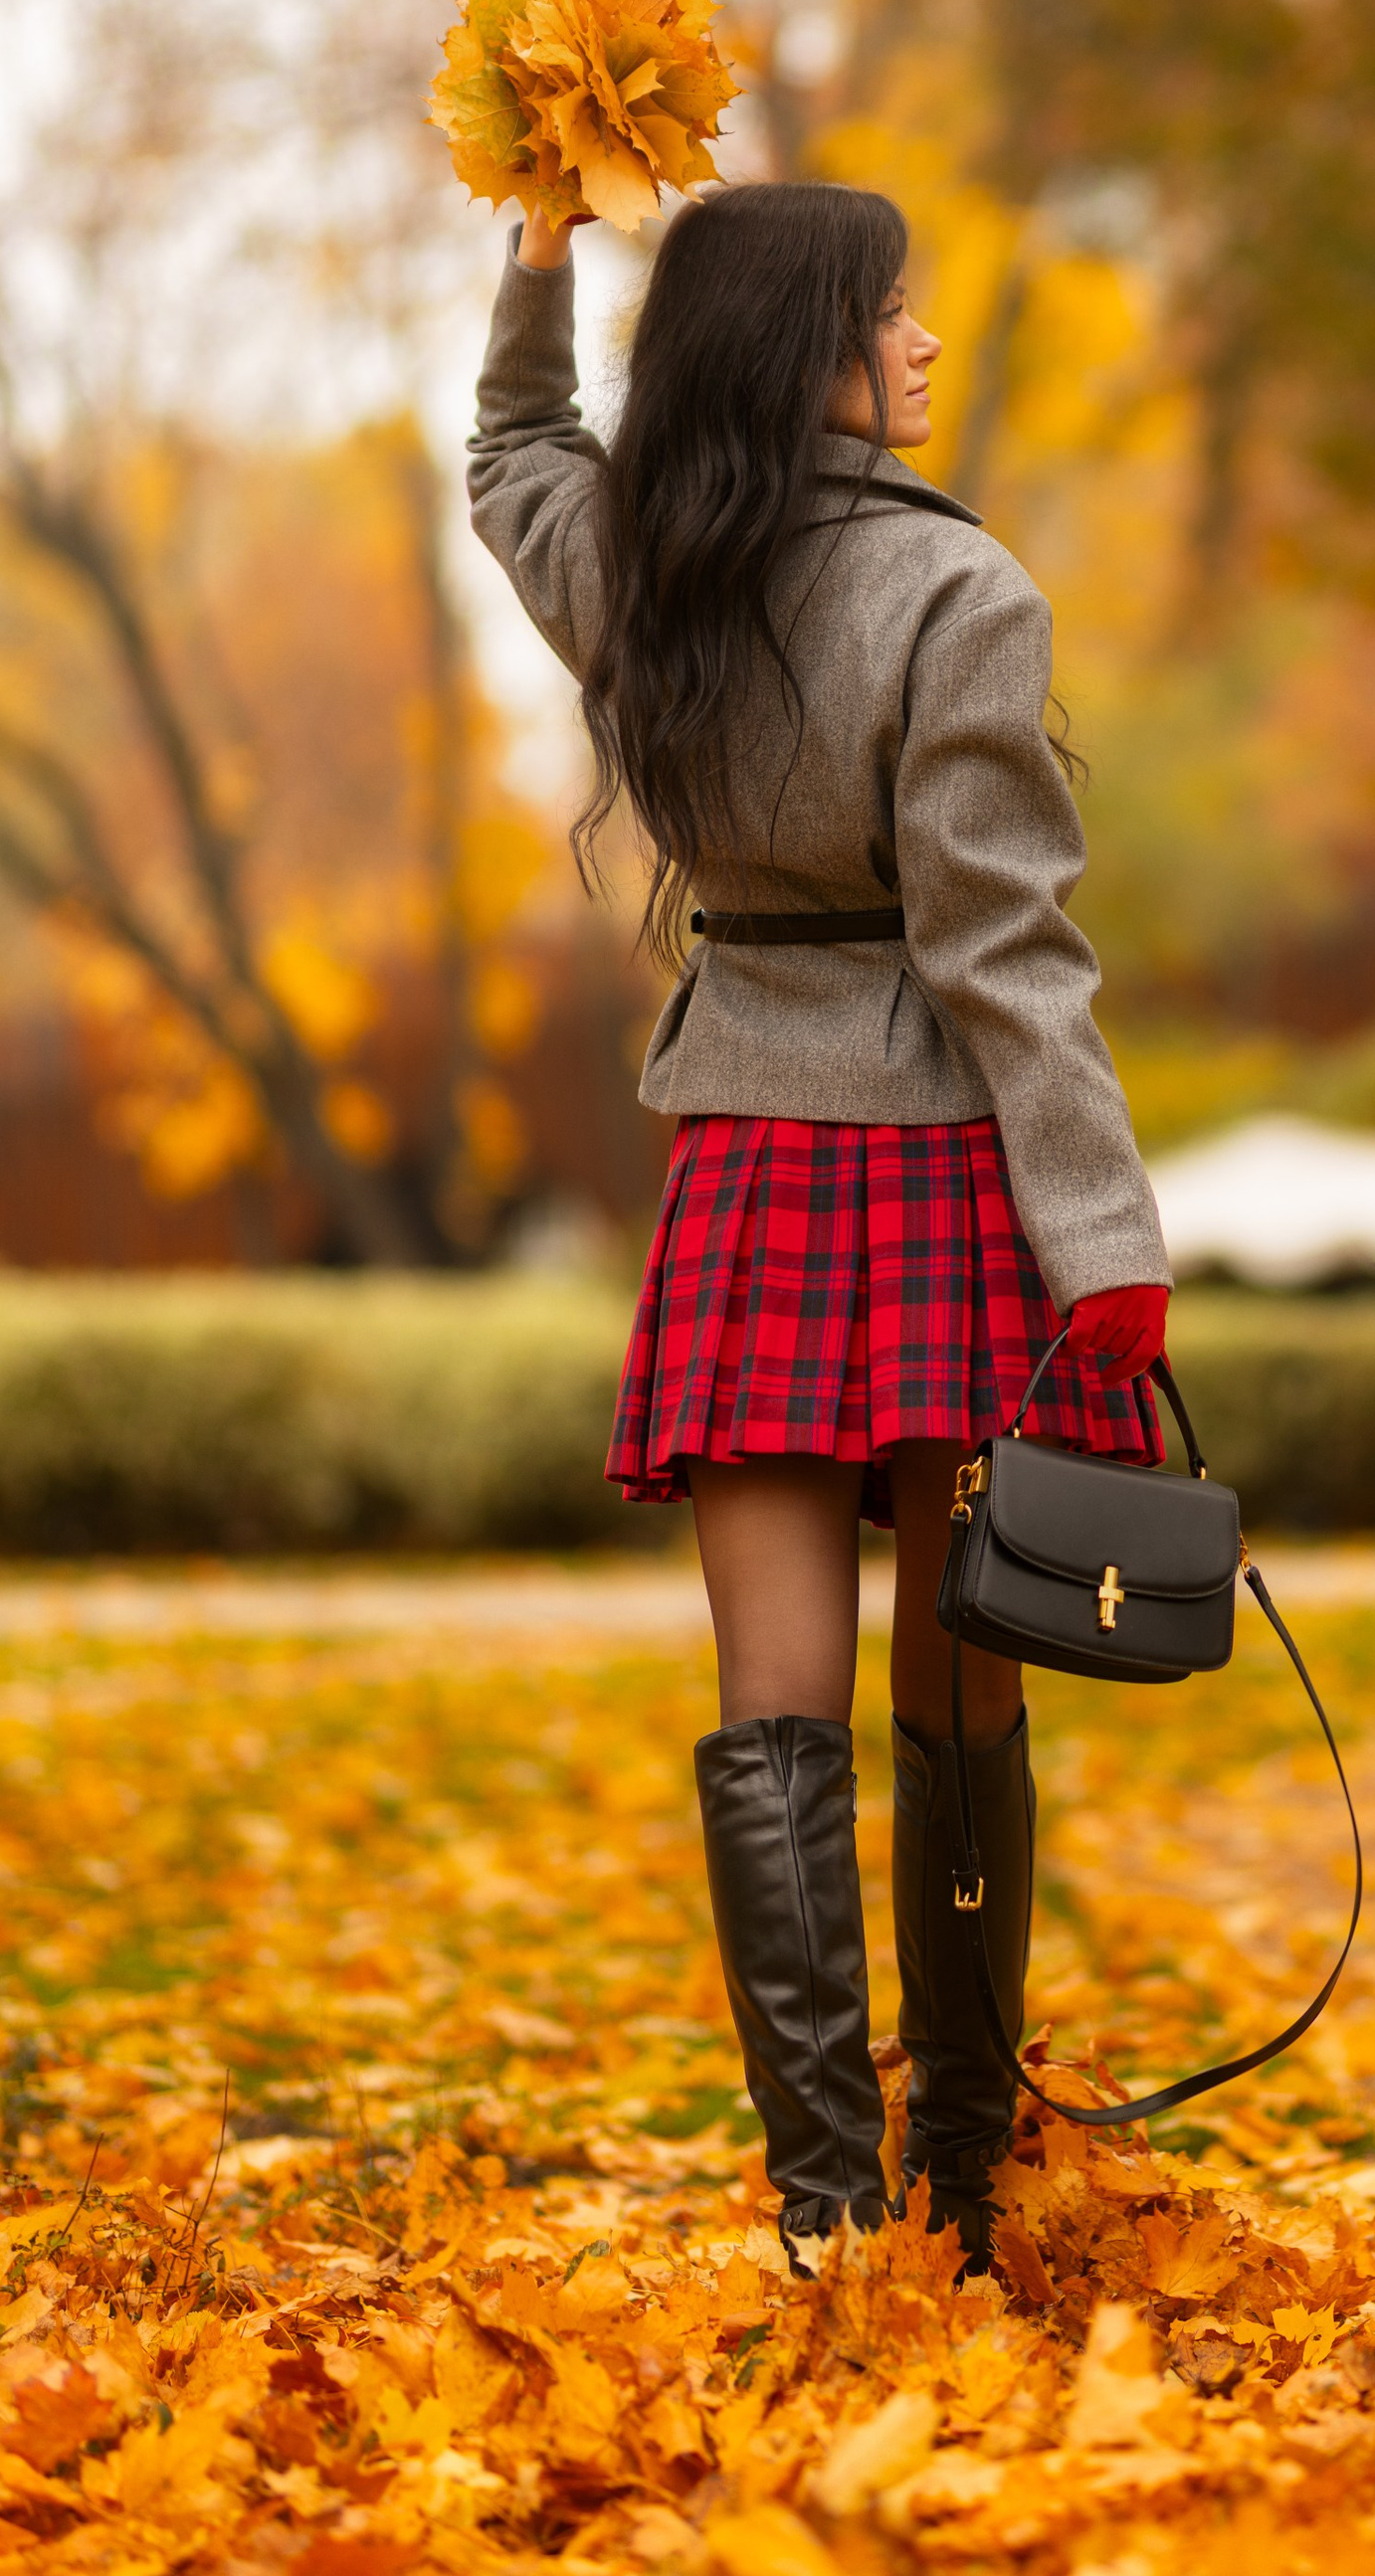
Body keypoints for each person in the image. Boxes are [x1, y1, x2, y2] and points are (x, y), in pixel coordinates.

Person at [467, 180, 1171, 2273]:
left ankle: (828, 2211)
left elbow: (513, 451)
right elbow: (1007, 952)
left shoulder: (649, 570)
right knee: (962, 1687)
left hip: (750, 1171)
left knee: (768, 1700)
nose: (923, 340)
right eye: (891, 311)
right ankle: (957, 2173)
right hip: (946, 1170)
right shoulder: (962, 592)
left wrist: (537, 250)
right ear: (812, 352)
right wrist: (1107, 1242)